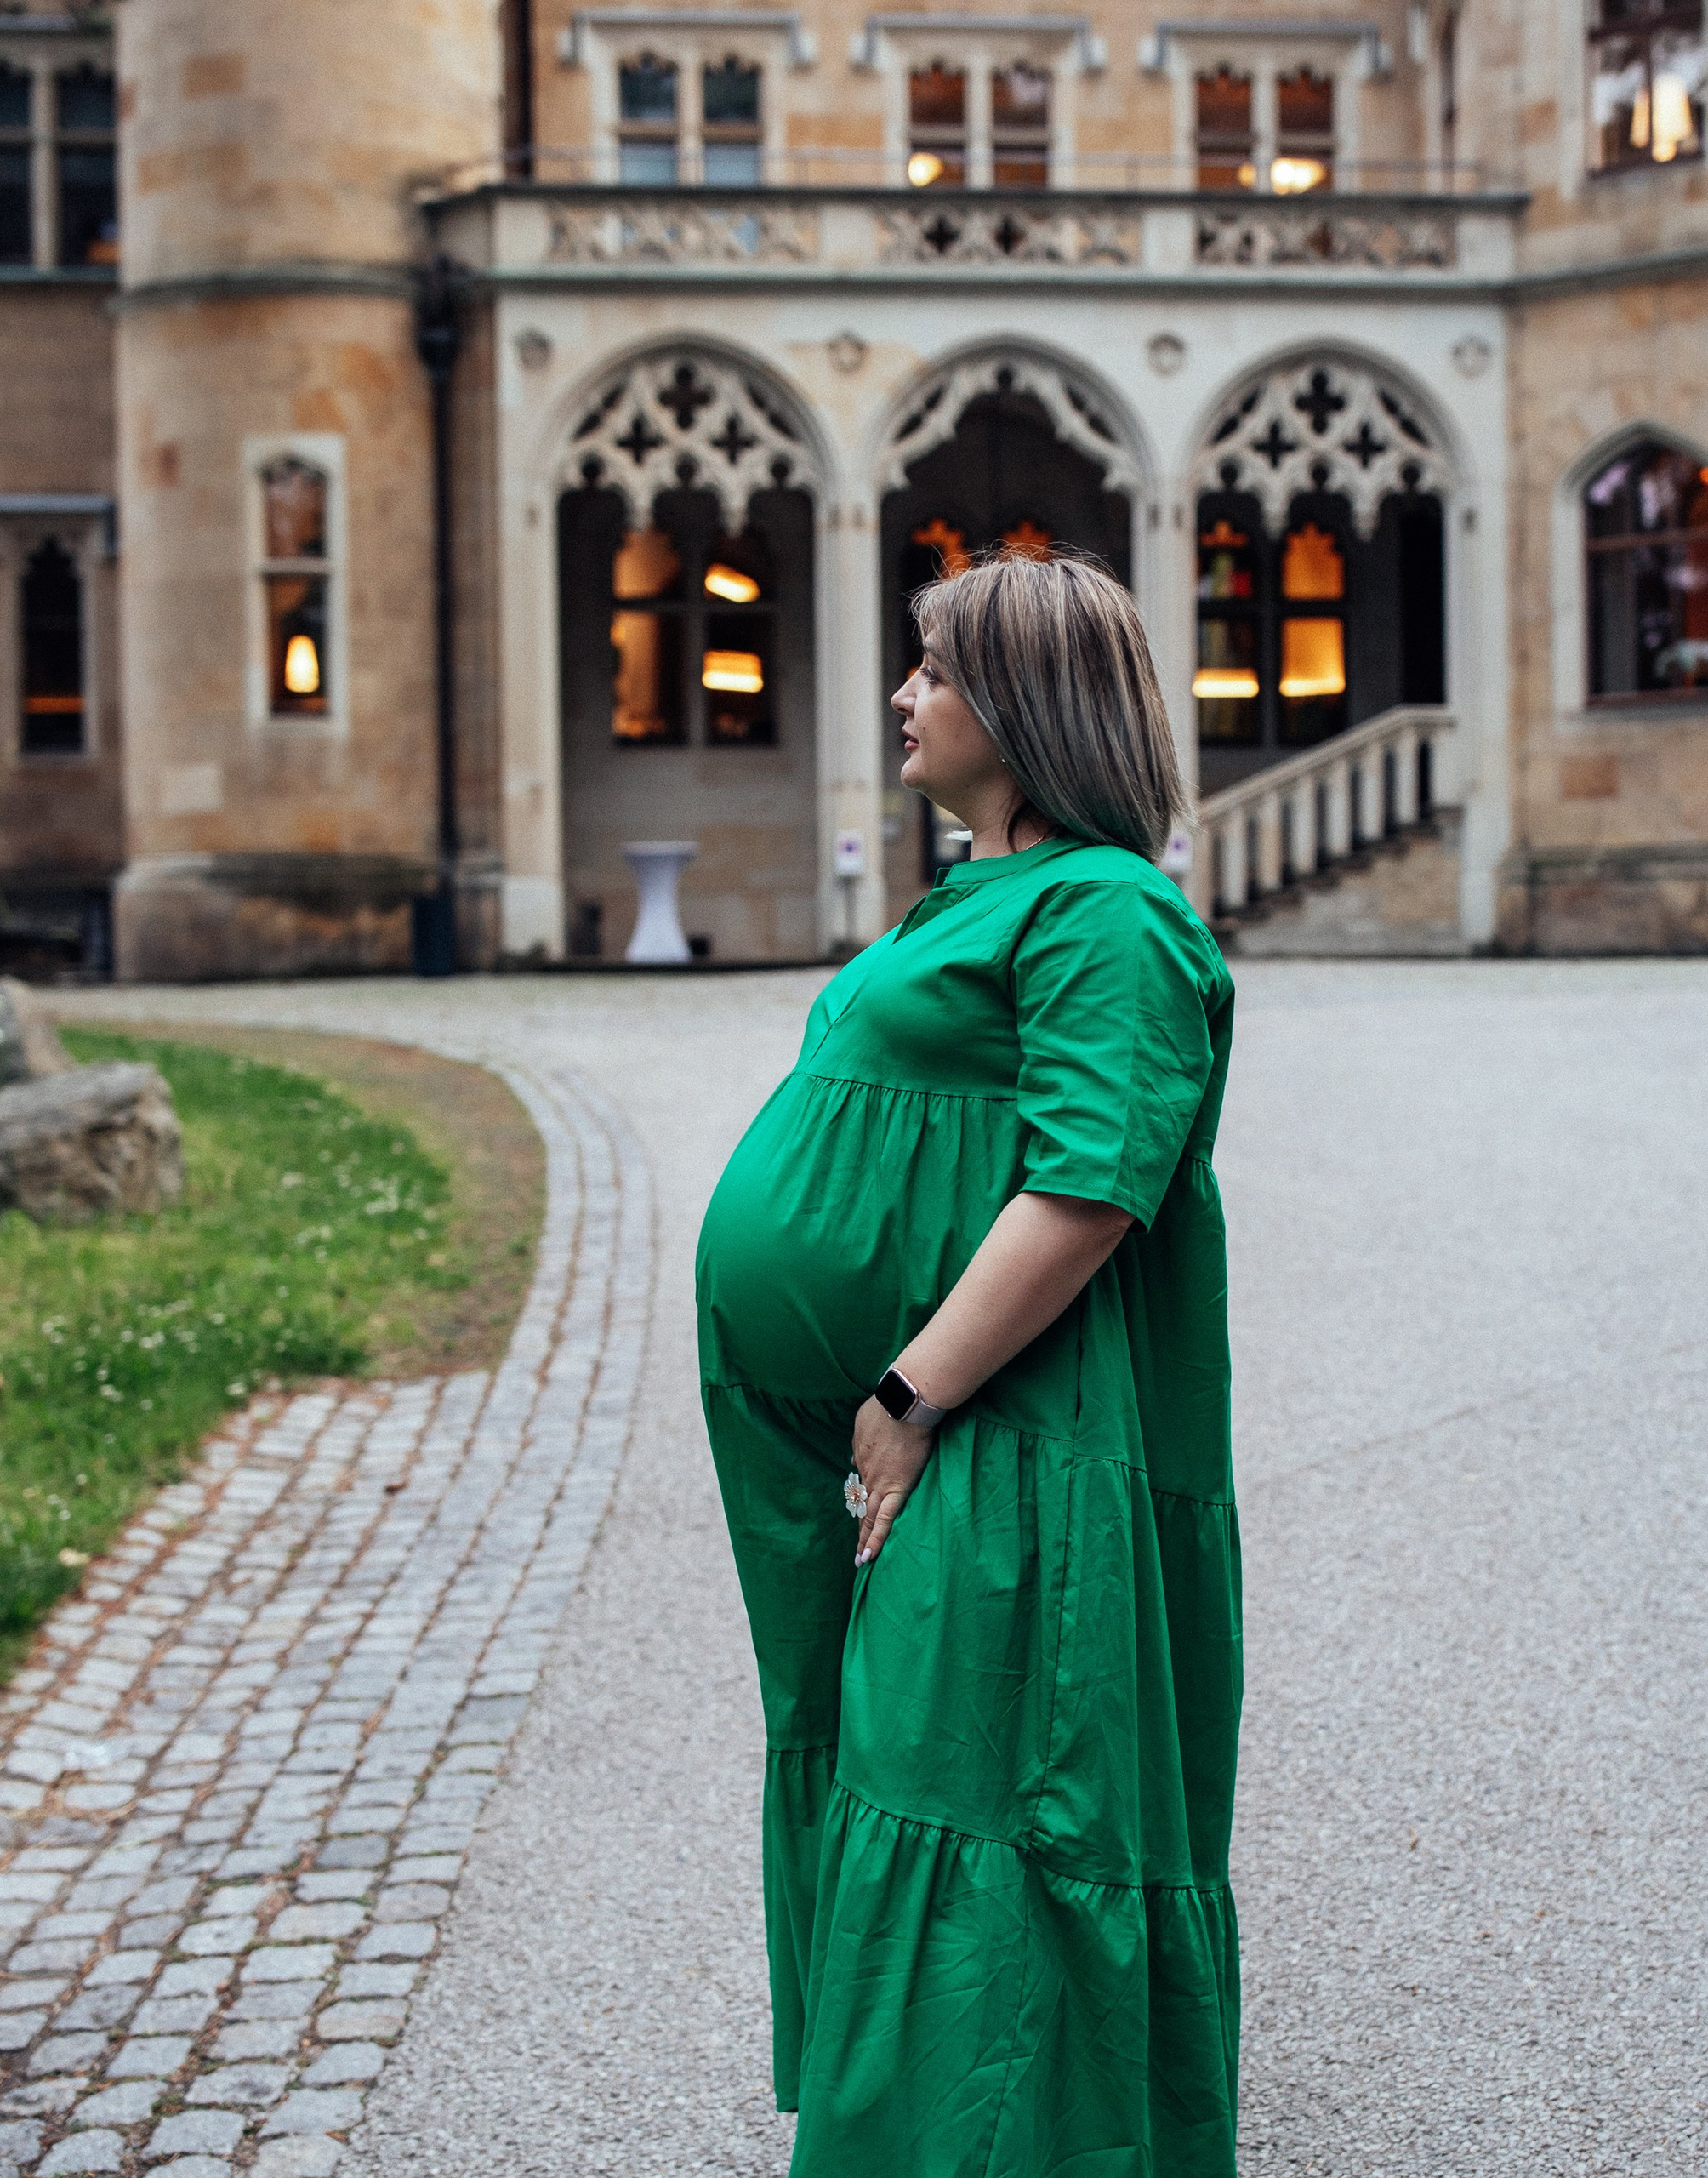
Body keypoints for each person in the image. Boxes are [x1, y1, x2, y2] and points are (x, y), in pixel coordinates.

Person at [696, 548, 1241, 2176]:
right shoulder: (979, 895)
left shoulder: (1110, 908)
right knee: (904, 1771)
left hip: (1013, 1425)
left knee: (990, 1788)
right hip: (910, 1423)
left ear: (1026, 703)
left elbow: (1088, 1187)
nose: (903, 695)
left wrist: (909, 1393)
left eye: (934, 669)